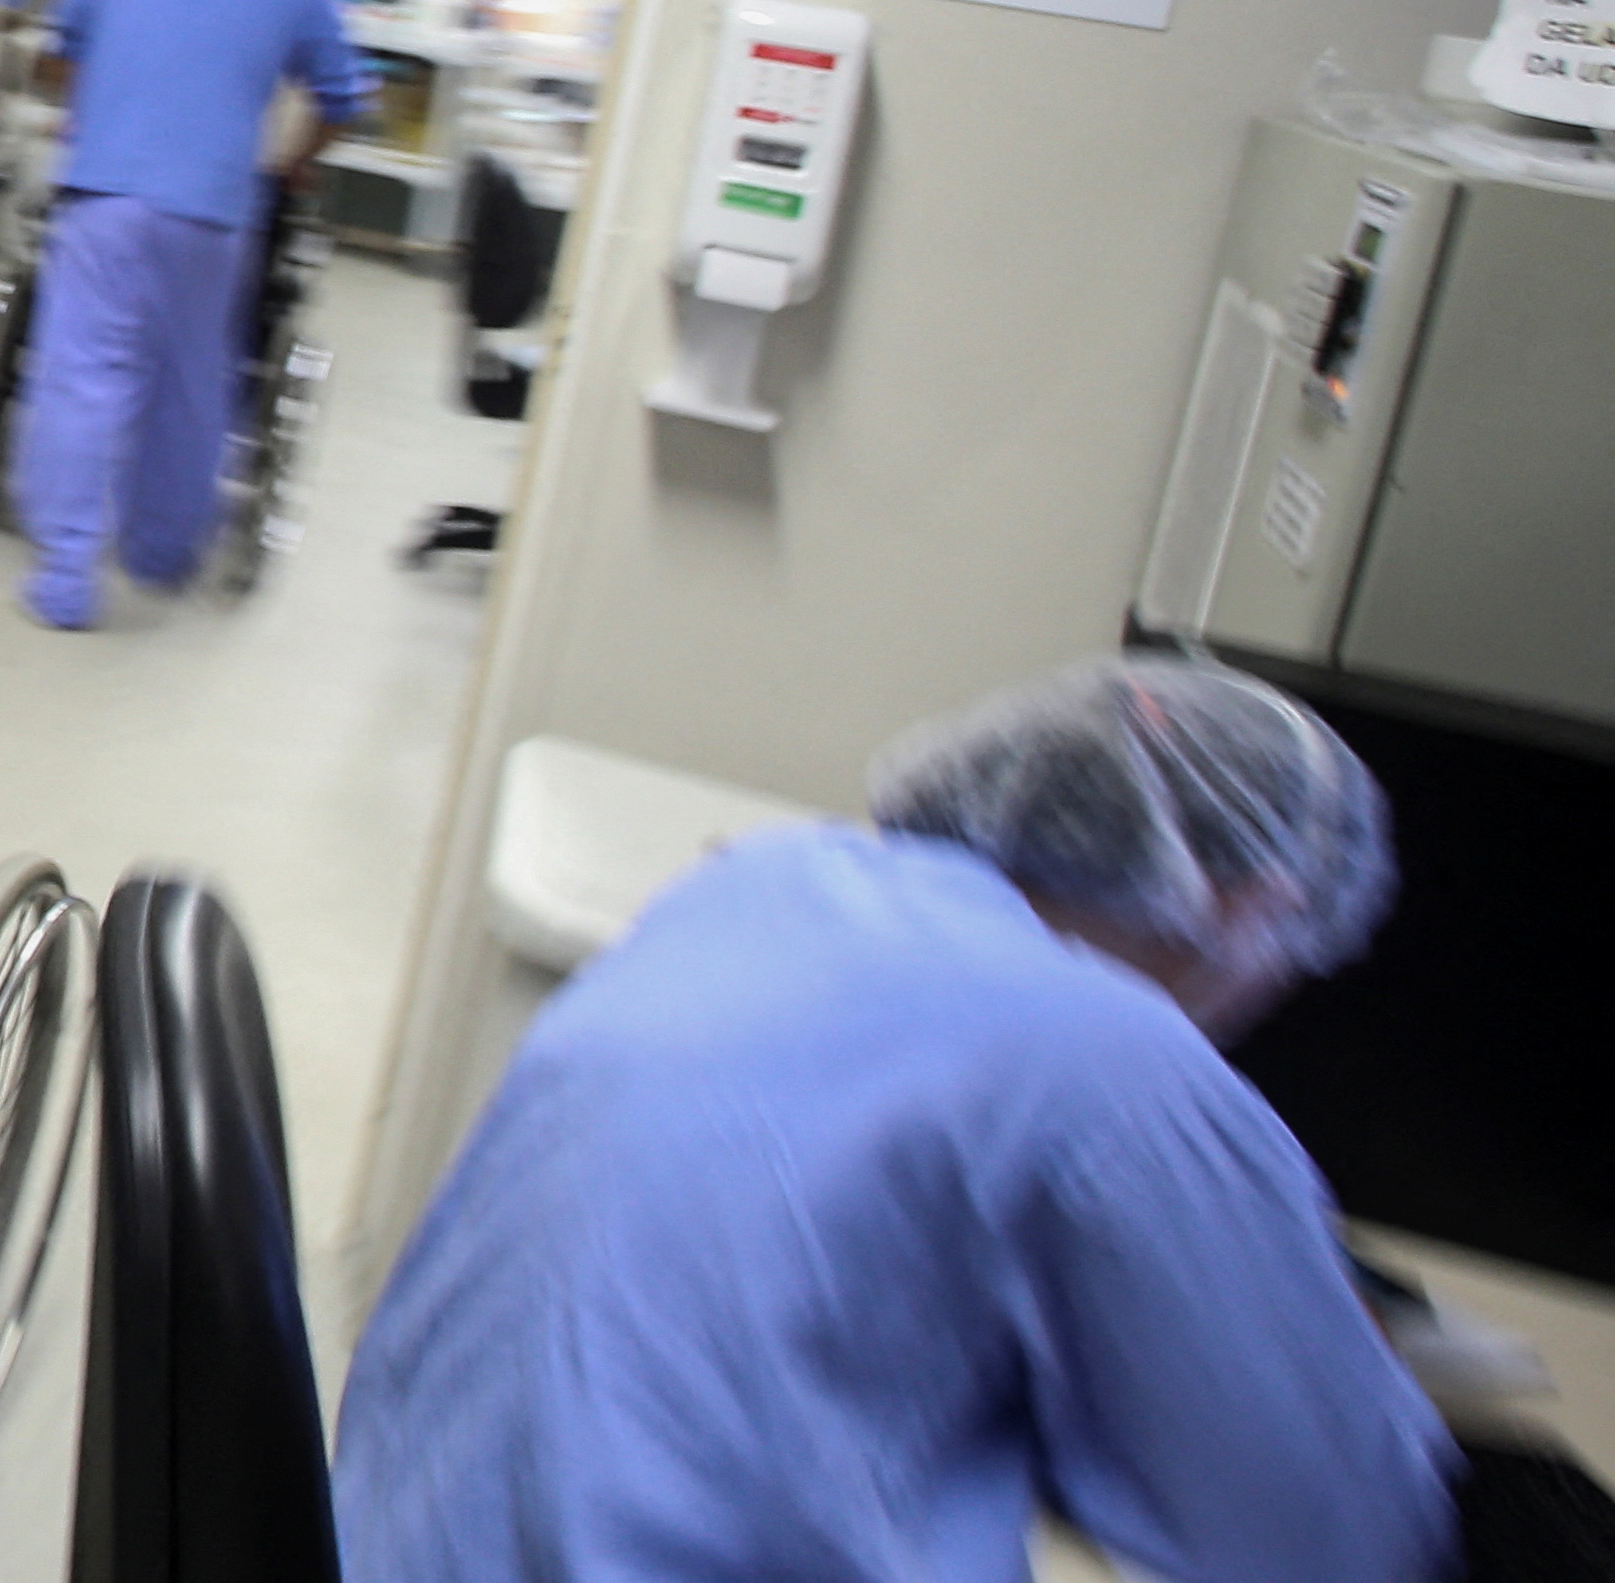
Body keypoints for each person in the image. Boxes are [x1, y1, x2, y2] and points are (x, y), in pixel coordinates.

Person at [336, 653, 1459, 1583]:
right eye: (1291, 941)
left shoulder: (770, 880)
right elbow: (1326, 1532)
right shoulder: (1109, 1054)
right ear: (1247, 898)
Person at [11, 0, 371, 628]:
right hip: (212, 212)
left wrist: (101, 105)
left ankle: (66, 575)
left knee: (82, 376)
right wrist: (296, 163)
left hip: (104, 195)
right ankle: (161, 552)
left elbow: (58, 58)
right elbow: (344, 98)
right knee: (190, 383)